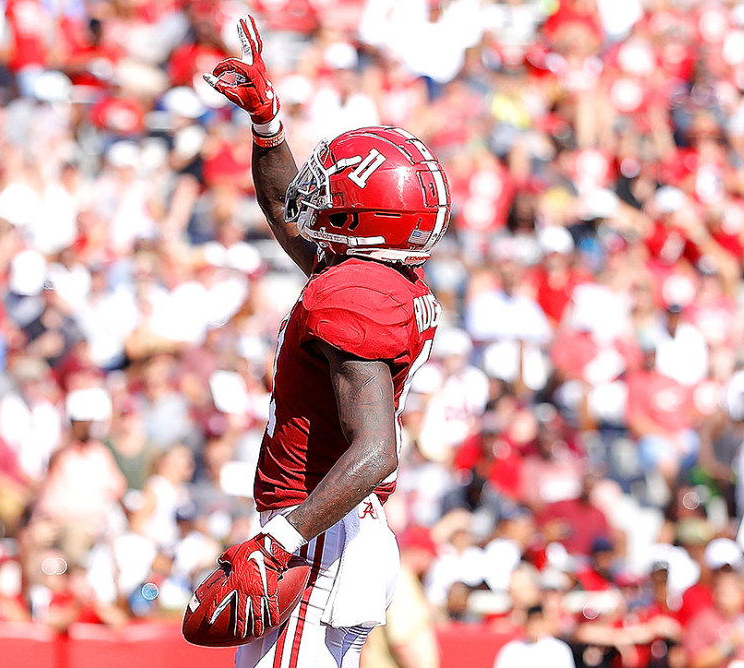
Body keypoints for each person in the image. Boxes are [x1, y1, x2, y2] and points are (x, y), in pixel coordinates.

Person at [198, 15, 449, 668]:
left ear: (365, 220)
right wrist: (267, 124)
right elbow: (289, 214)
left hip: (317, 531)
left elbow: (376, 451)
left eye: (336, 199)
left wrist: (281, 540)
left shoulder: (353, 293)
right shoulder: (374, 274)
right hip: (328, 527)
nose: (317, 202)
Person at [492, 605, 576, 668]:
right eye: (532, 621)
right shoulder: (511, 650)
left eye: (538, 621)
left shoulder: (559, 650)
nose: (535, 626)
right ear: (526, 623)